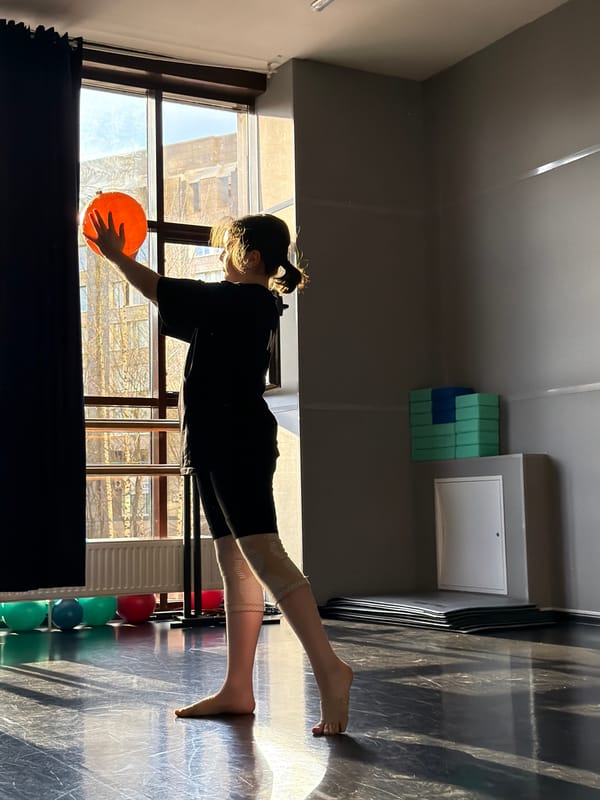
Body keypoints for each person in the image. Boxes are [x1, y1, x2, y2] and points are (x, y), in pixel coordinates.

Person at [86, 210, 353, 736]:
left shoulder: (248, 300)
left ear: (251, 257)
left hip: (236, 445)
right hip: (213, 445)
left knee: (264, 556)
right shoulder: (232, 308)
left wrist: (119, 256)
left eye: (228, 248)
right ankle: (238, 687)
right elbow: (173, 306)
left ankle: (330, 670)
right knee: (234, 563)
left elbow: (163, 288)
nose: (221, 258)